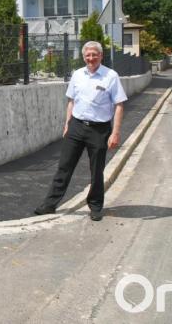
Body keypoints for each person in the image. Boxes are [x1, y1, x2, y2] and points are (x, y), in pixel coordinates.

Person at [34, 41, 127, 221]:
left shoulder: (111, 76)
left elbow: (119, 105)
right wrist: (67, 124)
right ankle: (49, 204)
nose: (91, 58)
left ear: (101, 56)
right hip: (76, 126)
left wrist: (115, 132)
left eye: (94, 55)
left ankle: (96, 206)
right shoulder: (77, 75)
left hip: (99, 130)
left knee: (96, 170)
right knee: (64, 167)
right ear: (84, 56)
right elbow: (71, 101)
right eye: (88, 55)